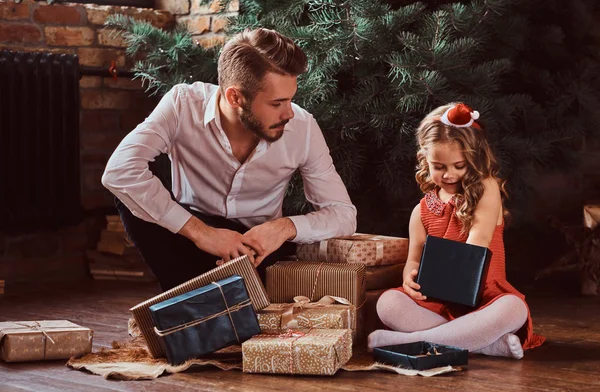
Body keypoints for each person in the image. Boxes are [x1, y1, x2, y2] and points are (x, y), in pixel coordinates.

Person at [101, 28, 357, 291]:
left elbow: (343, 215)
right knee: (129, 193)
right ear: (235, 97)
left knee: (237, 300)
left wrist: (282, 228)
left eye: (291, 99)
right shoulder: (182, 104)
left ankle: (199, 299)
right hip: (188, 239)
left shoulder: (303, 128)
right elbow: (118, 171)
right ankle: (189, 295)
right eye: (277, 103)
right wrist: (203, 234)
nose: (289, 113)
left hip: (259, 250)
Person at [368, 103, 545, 358]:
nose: (449, 174)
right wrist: (409, 277)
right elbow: (414, 259)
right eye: (439, 167)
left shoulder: (486, 188)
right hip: (436, 300)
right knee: (387, 303)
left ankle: (412, 341)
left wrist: (457, 286)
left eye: (459, 165)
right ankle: (485, 344)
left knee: (514, 308)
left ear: (474, 159)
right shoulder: (421, 211)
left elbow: (478, 243)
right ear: (424, 160)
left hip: (483, 296)